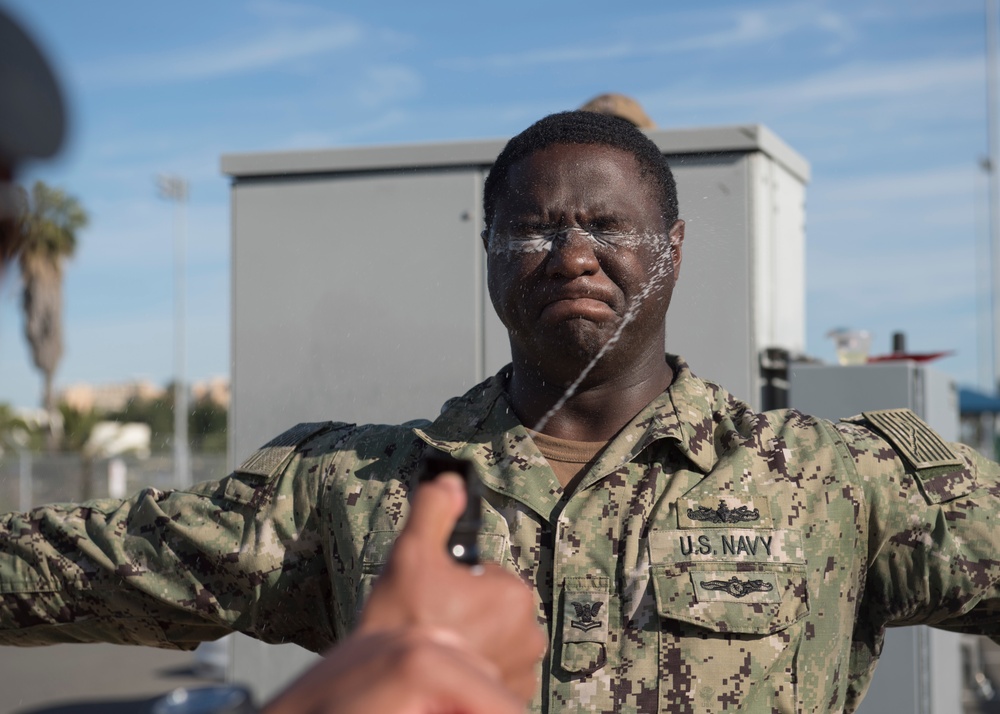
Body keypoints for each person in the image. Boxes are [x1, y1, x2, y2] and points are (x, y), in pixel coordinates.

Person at [1, 109, 999, 714]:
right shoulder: (356, 488)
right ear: (486, 254)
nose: (570, 254)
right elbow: (72, 568)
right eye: (531, 230)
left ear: (673, 250)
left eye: (609, 224)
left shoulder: (835, 481)